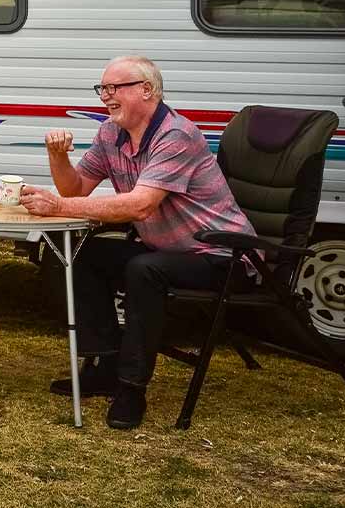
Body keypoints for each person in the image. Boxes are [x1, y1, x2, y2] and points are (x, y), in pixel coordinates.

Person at [19, 55, 255, 430]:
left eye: (115, 88)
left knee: (144, 269)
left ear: (147, 90)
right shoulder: (110, 133)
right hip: (165, 249)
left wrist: (59, 205)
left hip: (221, 253)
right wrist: (57, 157)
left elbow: (141, 206)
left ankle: (132, 386)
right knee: (73, 252)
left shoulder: (177, 135)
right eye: (102, 89)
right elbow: (75, 188)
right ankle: (107, 364)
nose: (105, 97)